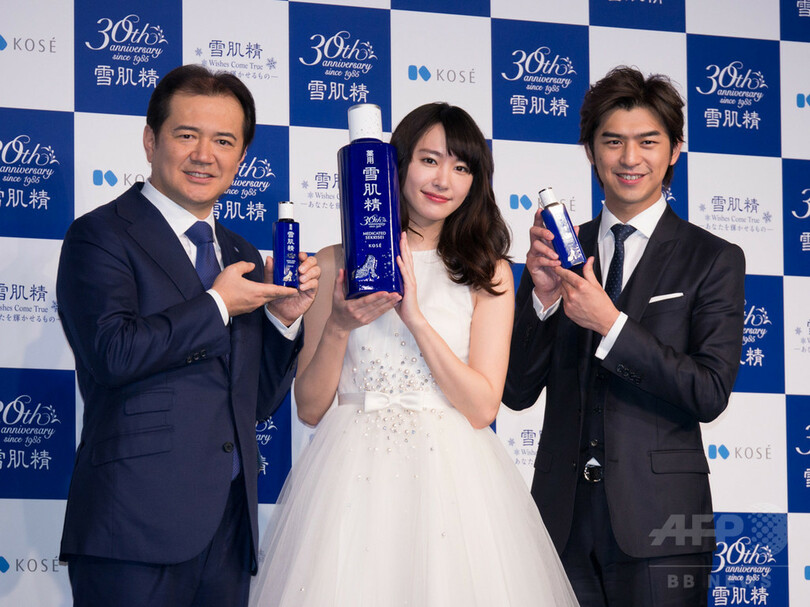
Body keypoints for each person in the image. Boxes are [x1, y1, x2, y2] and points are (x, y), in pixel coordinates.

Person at [249, 102, 578, 606]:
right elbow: (310, 408)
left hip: (453, 480)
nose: (443, 179)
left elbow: (483, 407)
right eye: (429, 160)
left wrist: (416, 319)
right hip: (348, 479)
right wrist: (339, 323)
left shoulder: (487, 271)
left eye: (461, 167)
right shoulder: (336, 261)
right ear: (395, 164)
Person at [56, 64, 320, 607]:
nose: (205, 155)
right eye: (186, 135)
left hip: (227, 528)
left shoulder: (242, 253)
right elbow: (113, 353)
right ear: (150, 140)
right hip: (131, 527)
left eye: (224, 141)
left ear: (241, 158)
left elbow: (254, 402)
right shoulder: (100, 235)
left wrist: (282, 320)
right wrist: (218, 304)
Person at [503, 66, 746, 606]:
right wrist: (542, 299)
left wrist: (610, 324)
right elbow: (515, 391)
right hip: (560, 522)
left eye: (648, 142)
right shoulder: (561, 250)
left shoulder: (713, 259)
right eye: (612, 141)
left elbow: (709, 391)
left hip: (665, 524)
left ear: (675, 150)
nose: (629, 158)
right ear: (590, 152)